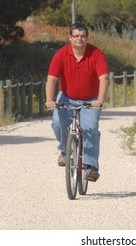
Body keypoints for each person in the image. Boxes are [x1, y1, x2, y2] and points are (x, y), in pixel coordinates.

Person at [45, 21, 109, 182]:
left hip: (91, 99)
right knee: (57, 122)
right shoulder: (61, 54)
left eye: (83, 36)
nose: (79, 39)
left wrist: (100, 100)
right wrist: (49, 100)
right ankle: (65, 151)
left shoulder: (96, 54)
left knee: (90, 128)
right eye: (76, 36)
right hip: (66, 96)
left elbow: (104, 78)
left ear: (87, 37)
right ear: (70, 37)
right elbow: (52, 79)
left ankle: (90, 166)